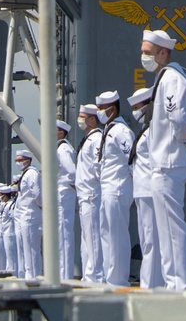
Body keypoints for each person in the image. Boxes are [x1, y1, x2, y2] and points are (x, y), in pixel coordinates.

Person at [140, 27, 186, 291]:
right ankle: (173, 282)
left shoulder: (172, 78)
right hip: (164, 163)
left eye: (148, 53)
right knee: (165, 230)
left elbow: (177, 118)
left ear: (163, 52)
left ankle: (178, 285)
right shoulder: (165, 78)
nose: (144, 57)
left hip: (168, 163)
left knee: (171, 228)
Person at [95, 89, 135, 286]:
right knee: (107, 234)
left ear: (112, 110)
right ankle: (110, 277)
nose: (99, 112)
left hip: (118, 188)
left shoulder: (121, 131)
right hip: (108, 188)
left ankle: (118, 280)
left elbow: (132, 159)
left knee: (117, 235)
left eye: (101, 108)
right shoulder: (108, 131)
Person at [128, 86, 162, 288]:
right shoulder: (144, 130)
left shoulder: (154, 130)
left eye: (138, 107)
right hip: (141, 190)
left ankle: (152, 283)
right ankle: (150, 280)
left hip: (149, 189)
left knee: (151, 238)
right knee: (146, 237)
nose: (135, 112)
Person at [75, 104, 105, 284]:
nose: (80, 120)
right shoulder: (88, 139)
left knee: (93, 239)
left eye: (82, 116)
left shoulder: (96, 139)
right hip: (84, 195)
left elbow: (98, 166)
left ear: (92, 119)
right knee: (86, 240)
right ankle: (89, 277)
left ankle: (97, 279)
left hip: (92, 194)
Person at [14, 150, 43, 278]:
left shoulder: (32, 173)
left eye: (20, 159)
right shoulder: (25, 174)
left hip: (31, 214)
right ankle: (29, 276)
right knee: (26, 249)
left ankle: (34, 277)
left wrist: (42, 207)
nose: (18, 162)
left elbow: (37, 193)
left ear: (27, 160)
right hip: (25, 215)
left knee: (32, 249)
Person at [56, 120, 78, 279]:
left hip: (64, 193)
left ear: (61, 133)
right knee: (62, 236)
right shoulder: (61, 148)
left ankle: (65, 276)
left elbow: (71, 171)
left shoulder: (62, 149)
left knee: (64, 236)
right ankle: (63, 274)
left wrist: (65, 185)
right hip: (64, 192)